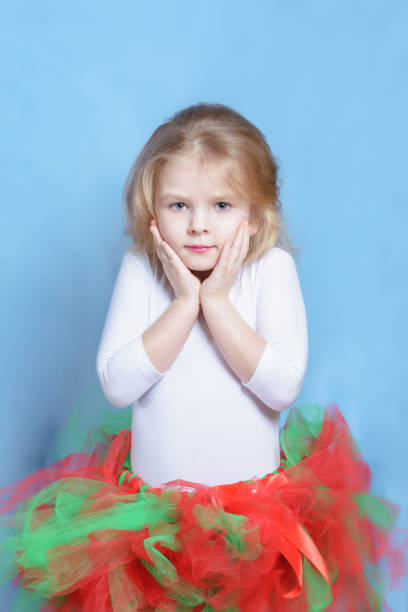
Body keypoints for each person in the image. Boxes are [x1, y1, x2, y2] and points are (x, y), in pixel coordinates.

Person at [0, 103, 405, 611]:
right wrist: (185, 303)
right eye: (178, 206)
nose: (198, 226)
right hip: (152, 523)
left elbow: (281, 386)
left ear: (256, 215)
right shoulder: (141, 272)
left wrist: (215, 302)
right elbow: (118, 384)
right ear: (152, 212)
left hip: (253, 522)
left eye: (221, 206)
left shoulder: (270, 270)